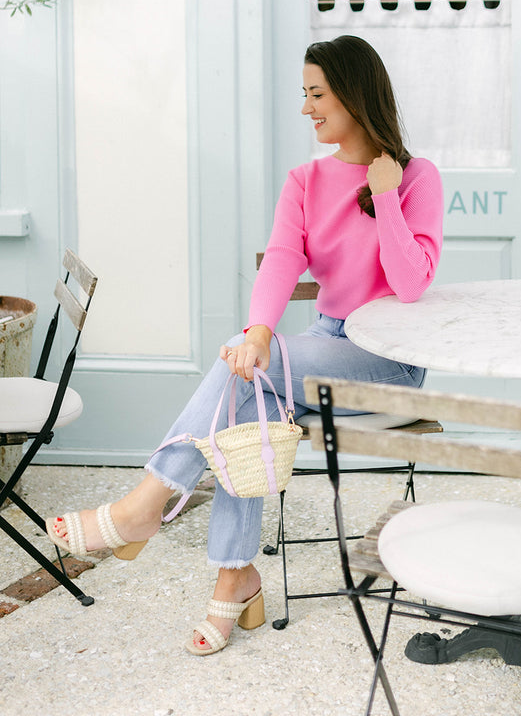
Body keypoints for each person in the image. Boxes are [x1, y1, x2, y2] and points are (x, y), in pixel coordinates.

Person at [47, 35, 443, 655]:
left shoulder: (416, 178)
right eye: (304, 95)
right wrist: (260, 329)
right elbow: (284, 257)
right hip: (324, 346)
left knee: (246, 368)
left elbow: (413, 284)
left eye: (316, 94)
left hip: (388, 362)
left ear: (354, 93)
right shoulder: (305, 180)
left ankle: (146, 504)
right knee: (247, 400)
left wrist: (387, 194)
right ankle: (237, 577)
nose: (307, 108)